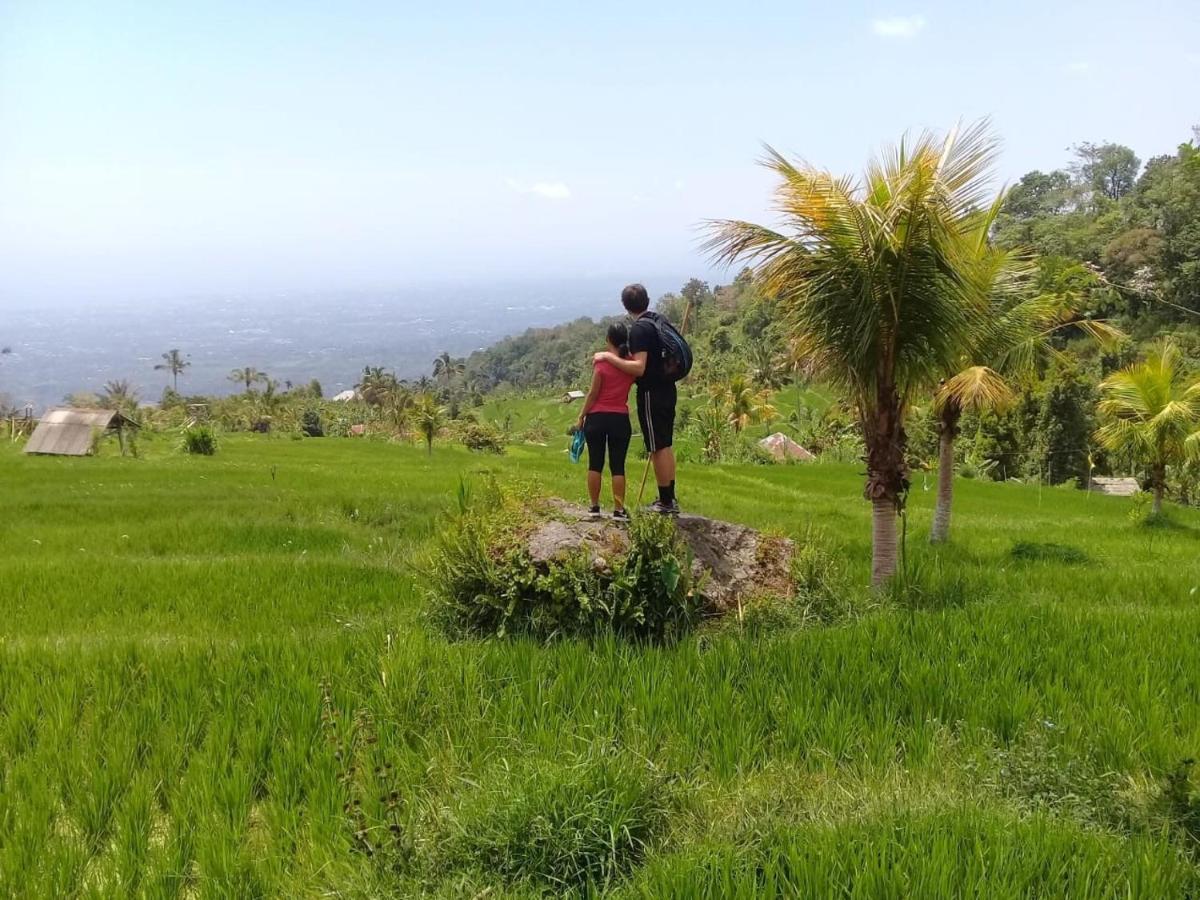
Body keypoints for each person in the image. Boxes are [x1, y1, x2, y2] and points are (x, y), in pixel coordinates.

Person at [593, 283, 679, 515]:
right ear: (647, 300)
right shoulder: (658, 320)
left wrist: (608, 358)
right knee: (665, 443)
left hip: (652, 392)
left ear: (625, 305)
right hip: (668, 388)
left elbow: (639, 368)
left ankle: (666, 502)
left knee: (657, 446)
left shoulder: (640, 329)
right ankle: (670, 496)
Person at [576, 322, 635, 519]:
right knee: (618, 465)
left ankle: (594, 507)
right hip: (620, 418)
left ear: (608, 339)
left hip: (597, 418)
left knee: (595, 463)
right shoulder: (630, 363)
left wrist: (581, 415)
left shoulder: (601, 364)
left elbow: (593, 394)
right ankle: (618, 510)